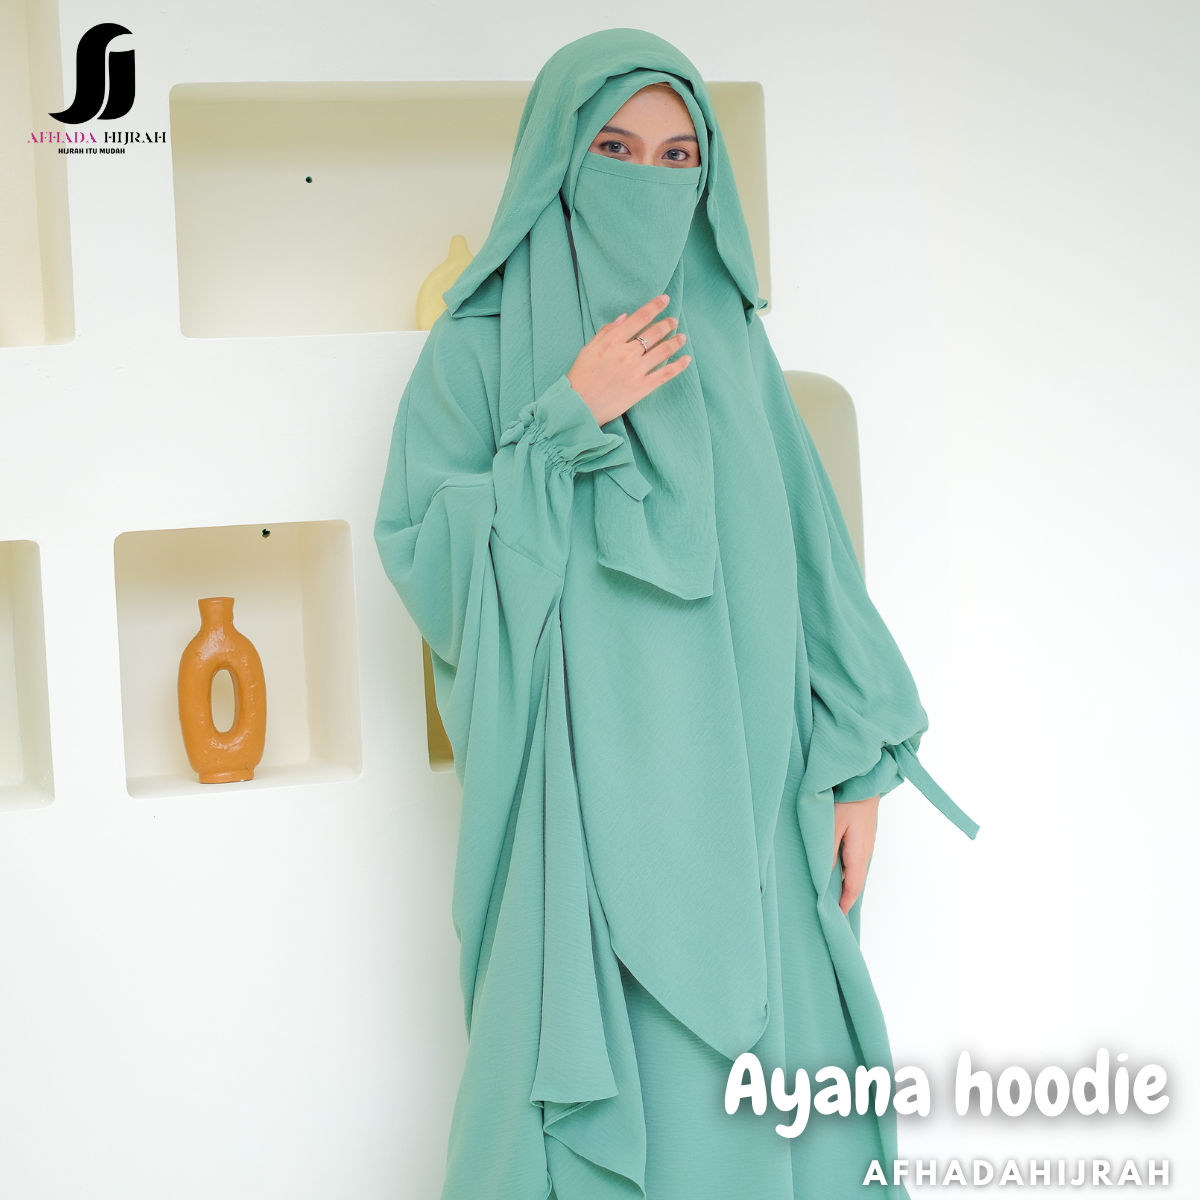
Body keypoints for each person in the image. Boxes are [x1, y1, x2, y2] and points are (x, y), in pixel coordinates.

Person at [374, 28, 976, 1200]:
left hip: (755, 799)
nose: (646, 178)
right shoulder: (477, 347)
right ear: (557, 158)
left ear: (708, 178)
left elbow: (814, 550)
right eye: (612, 148)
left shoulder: (732, 340)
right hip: (580, 810)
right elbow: (432, 564)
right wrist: (566, 416)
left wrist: (861, 764)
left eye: (676, 156)